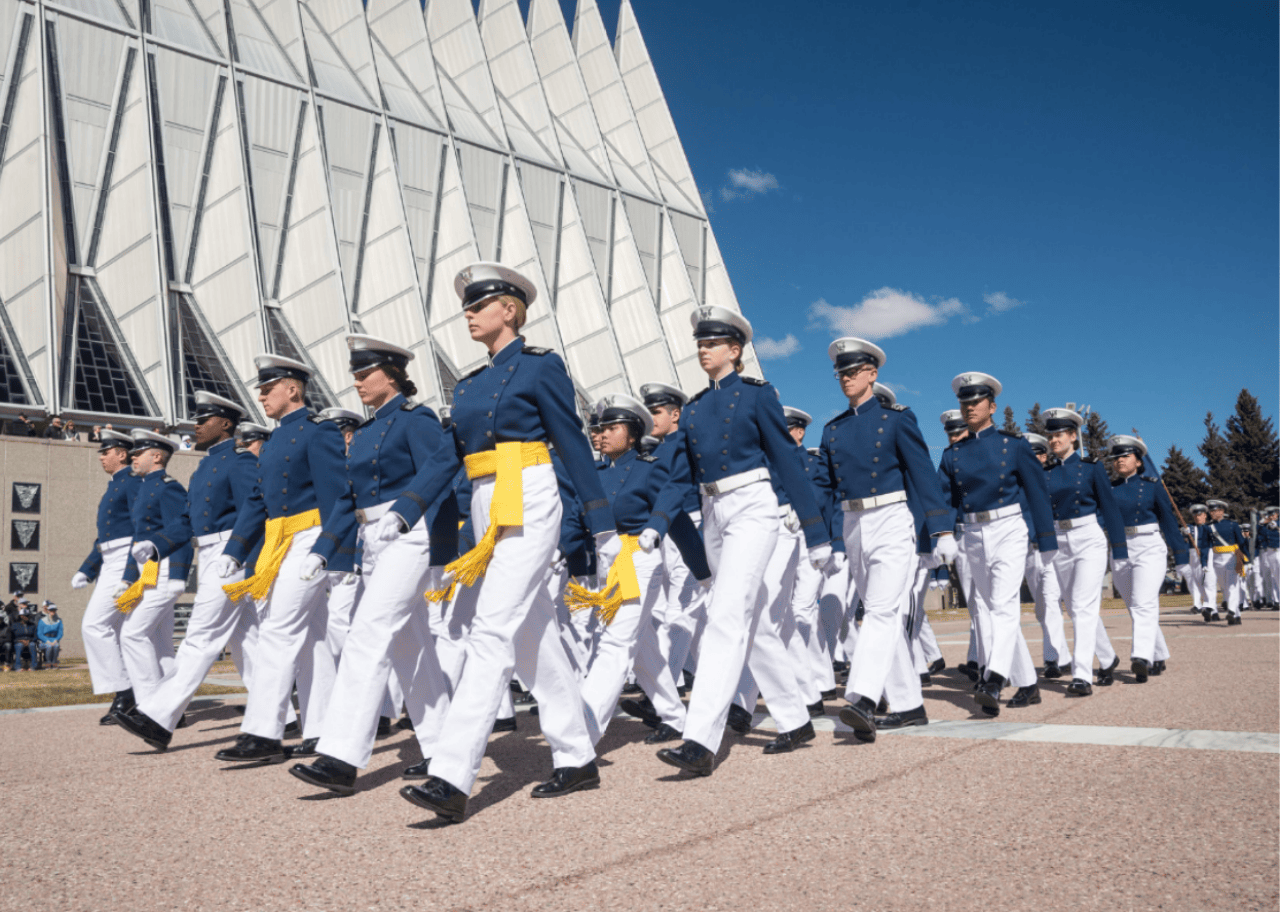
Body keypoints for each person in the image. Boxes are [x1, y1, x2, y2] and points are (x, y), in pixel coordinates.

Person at [398, 263, 612, 823]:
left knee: (490, 628)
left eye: (478, 305)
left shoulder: (541, 367)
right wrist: (409, 505)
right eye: (466, 307)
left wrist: (600, 518)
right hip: (484, 496)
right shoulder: (467, 385)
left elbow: (569, 439)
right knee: (530, 634)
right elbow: (449, 454)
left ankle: (451, 774)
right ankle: (576, 754)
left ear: (510, 310)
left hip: (531, 490)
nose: (467, 314)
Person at [653, 305, 830, 777]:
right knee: (754, 626)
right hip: (712, 512)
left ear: (735, 350)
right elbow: (677, 479)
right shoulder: (691, 409)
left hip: (754, 506)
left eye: (712, 343)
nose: (702, 349)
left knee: (725, 617)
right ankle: (795, 719)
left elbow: (788, 462)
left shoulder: (757, 395)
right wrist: (655, 524)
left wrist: (816, 532)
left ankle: (699, 740)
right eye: (700, 342)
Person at [289, 335, 456, 796]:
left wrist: (409, 514)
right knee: (408, 645)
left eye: (366, 374)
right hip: (371, 537)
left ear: (393, 375)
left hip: (409, 531)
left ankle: (340, 756)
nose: (358, 382)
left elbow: (440, 471)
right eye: (355, 376)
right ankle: (444, 747)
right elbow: (348, 498)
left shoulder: (416, 420)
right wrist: (323, 549)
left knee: (368, 633)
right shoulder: (361, 434)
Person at [211, 355, 348, 765]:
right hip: (279, 541)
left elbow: (339, 494)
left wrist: (327, 549)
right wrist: (235, 549)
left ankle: (263, 733)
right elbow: (257, 501)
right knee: (314, 639)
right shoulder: (272, 442)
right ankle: (322, 729)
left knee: (277, 631)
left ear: (293, 389)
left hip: (308, 538)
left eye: (268, 388)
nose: (261, 396)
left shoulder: (319, 432)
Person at [815, 338, 952, 742]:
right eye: (840, 373)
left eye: (853, 371)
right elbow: (824, 487)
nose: (845, 378)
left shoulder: (897, 419)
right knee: (883, 617)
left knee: (877, 611)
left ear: (872, 374)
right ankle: (910, 707)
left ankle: (862, 699)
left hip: (893, 518)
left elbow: (923, 474)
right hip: (853, 524)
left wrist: (941, 528)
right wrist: (813, 531)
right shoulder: (833, 430)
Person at [112, 392, 261, 750]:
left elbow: (254, 512)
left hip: (230, 555)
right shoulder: (203, 467)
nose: (195, 425)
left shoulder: (239, 463)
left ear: (225, 424)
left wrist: (243, 557)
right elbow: (186, 521)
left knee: (200, 636)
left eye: (203, 419)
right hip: (209, 551)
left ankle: (158, 717)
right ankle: (278, 716)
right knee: (246, 642)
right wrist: (159, 545)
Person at [570, 393, 703, 747]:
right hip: (605, 561)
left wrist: (701, 568)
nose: (604, 434)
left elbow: (672, 513)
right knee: (643, 649)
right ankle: (675, 718)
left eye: (614, 427)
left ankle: (582, 736)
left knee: (615, 642)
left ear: (632, 434)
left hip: (638, 556)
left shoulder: (650, 467)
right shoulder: (594, 473)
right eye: (602, 427)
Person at [939, 374, 1056, 717]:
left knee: (1003, 606)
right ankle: (1029, 684)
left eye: (976, 402)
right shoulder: (952, 455)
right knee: (992, 608)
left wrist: (1045, 540)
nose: (969, 407)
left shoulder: (1014, 445)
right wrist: (943, 534)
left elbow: (1037, 493)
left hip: (1008, 528)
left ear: (992, 406)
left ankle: (994, 677)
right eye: (965, 402)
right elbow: (945, 499)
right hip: (973, 534)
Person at [1040, 408, 1128, 696]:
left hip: (1088, 537)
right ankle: (1108, 657)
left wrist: (1119, 550)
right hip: (1060, 540)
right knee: (1076, 607)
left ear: (1073, 436)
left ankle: (1081, 675)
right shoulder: (1047, 473)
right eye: (1050, 435)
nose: (1053, 440)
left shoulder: (1092, 467)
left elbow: (1110, 509)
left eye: (1059, 434)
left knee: (1081, 605)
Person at [111, 429, 193, 705]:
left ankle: (150, 703)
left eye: (138, 453)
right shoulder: (146, 486)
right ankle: (174, 708)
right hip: (149, 571)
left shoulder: (169, 487)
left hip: (166, 569)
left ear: (157, 456)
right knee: (161, 644)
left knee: (133, 634)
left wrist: (180, 575)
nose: (133, 458)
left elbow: (182, 531)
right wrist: (127, 578)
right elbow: (138, 536)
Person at [73, 428, 143, 723]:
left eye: (106, 451)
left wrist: (129, 571)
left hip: (126, 560)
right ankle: (140, 696)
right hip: (110, 560)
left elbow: (141, 528)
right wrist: (87, 569)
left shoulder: (133, 484)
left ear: (122, 454)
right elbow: (103, 538)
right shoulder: (115, 485)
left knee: (95, 625)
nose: (101, 456)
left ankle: (125, 692)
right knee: (124, 633)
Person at [1106, 435, 1186, 680]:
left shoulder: (1152, 486)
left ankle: (1141, 656)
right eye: (1116, 457)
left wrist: (1181, 555)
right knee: (1135, 606)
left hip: (1149, 545)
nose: (1119, 460)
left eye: (1125, 456)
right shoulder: (1109, 489)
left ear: (1139, 462)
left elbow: (1168, 521)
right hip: (1120, 547)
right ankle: (1158, 652)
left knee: (1143, 602)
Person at [1022, 432, 1071, 677]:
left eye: (1035, 455)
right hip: (1029, 553)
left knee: (1052, 602)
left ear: (1043, 456)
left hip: (1052, 550)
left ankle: (1052, 659)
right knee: (1041, 607)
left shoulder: (1053, 479)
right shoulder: (1016, 485)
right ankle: (1062, 654)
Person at [1205, 499, 1248, 625]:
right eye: (1211, 511)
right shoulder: (1209, 527)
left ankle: (1231, 611)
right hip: (1216, 558)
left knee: (1232, 586)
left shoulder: (1232, 525)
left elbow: (1241, 542)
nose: (1212, 513)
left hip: (1231, 557)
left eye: (1215, 511)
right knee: (1224, 587)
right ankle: (1236, 615)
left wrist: (1247, 559)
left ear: (1222, 511)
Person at [1257, 507, 1279, 611]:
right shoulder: (1264, 526)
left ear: (1277, 515)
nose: (1272, 517)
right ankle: (1276, 601)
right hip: (1270, 552)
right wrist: (1261, 524)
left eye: (1273, 515)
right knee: (1274, 576)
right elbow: (1259, 534)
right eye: (1270, 515)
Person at [37, 603, 62, 668]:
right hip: (44, 640)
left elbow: (60, 633)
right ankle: (48, 662)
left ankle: (54, 662)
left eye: (54, 610)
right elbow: (39, 634)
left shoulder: (59, 621)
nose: (52, 612)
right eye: (51, 610)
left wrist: (56, 640)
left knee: (56, 645)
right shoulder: (42, 621)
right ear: (48, 611)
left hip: (54, 638)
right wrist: (46, 640)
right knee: (49, 646)